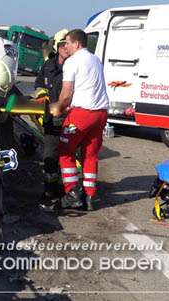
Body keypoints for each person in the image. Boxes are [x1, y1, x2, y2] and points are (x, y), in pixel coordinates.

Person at [49, 29, 109, 211]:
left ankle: (72, 193)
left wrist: (58, 108)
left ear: (77, 44)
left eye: (67, 42)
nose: (64, 46)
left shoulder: (72, 62)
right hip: (101, 113)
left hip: (83, 113)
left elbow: (66, 94)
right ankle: (90, 196)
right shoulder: (96, 59)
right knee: (90, 154)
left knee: (65, 150)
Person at [34, 29, 69, 202]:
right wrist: (42, 96)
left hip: (70, 121)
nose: (66, 47)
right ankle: (50, 188)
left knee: (68, 157)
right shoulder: (48, 66)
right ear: (57, 46)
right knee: (49, 155)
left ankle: (69, 190)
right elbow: (39, 83)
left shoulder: (75, 66)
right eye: (63, 44)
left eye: (67, 44)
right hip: (51, 121)